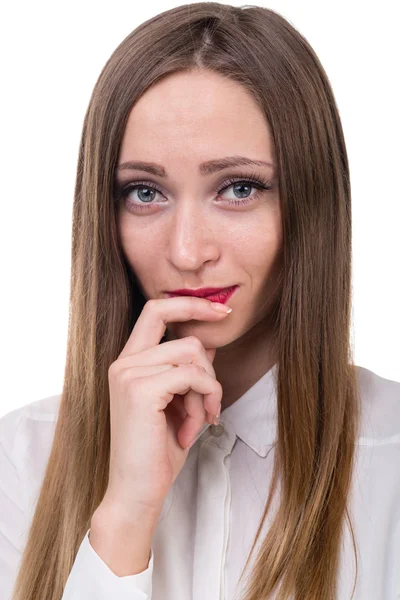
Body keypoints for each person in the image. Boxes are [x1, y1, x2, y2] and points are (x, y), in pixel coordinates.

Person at [1, 3, 399, 599]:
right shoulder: (18, 460)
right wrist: (124, 517)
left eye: (238, 188)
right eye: (144, 192)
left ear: (310, 205)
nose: (187, 253)